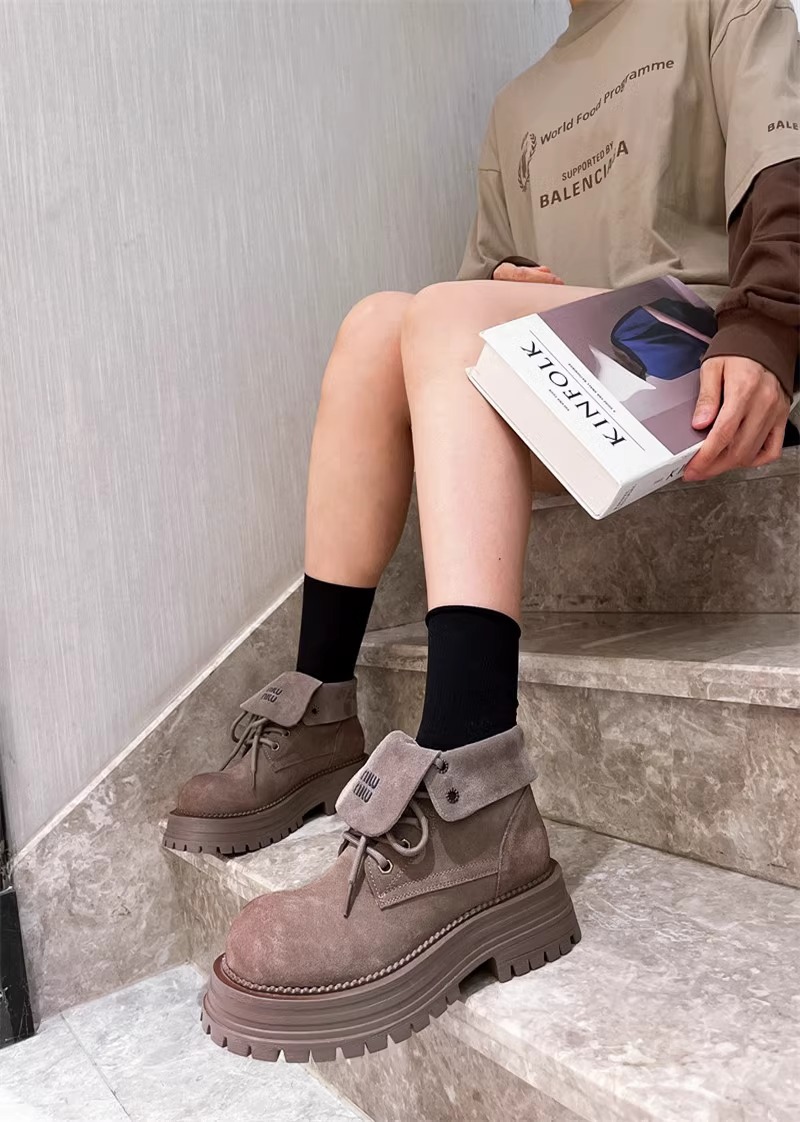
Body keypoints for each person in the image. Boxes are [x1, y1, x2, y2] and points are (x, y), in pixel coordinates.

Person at [166, 0, 800, 1061]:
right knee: (382, 320)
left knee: (444, 319)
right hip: (587, 379)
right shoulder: (520, 102)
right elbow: (474, 289)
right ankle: (320, 702)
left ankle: (472, 790)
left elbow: (782, 177)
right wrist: (509, 289)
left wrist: (771, 325)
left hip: (704, 362)